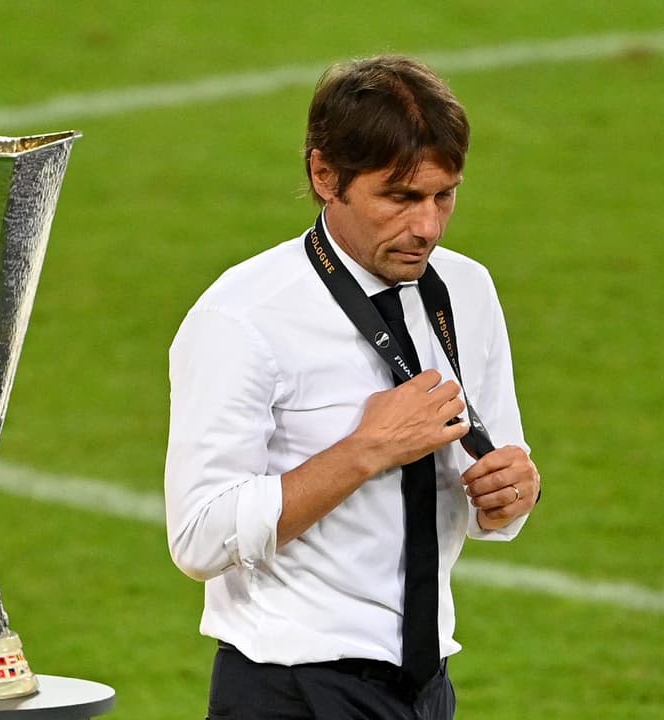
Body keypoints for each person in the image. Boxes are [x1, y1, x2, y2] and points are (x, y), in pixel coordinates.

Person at [164, 54, 540, 720]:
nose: (428, 226)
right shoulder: (240, 317)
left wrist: (511, 491)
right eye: (400, 198)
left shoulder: (467, 290)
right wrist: (366, 450)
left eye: (444, 195)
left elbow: (491, 477)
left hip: (427, 686)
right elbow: (198, 537)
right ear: (324, 175)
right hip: (292, 689)